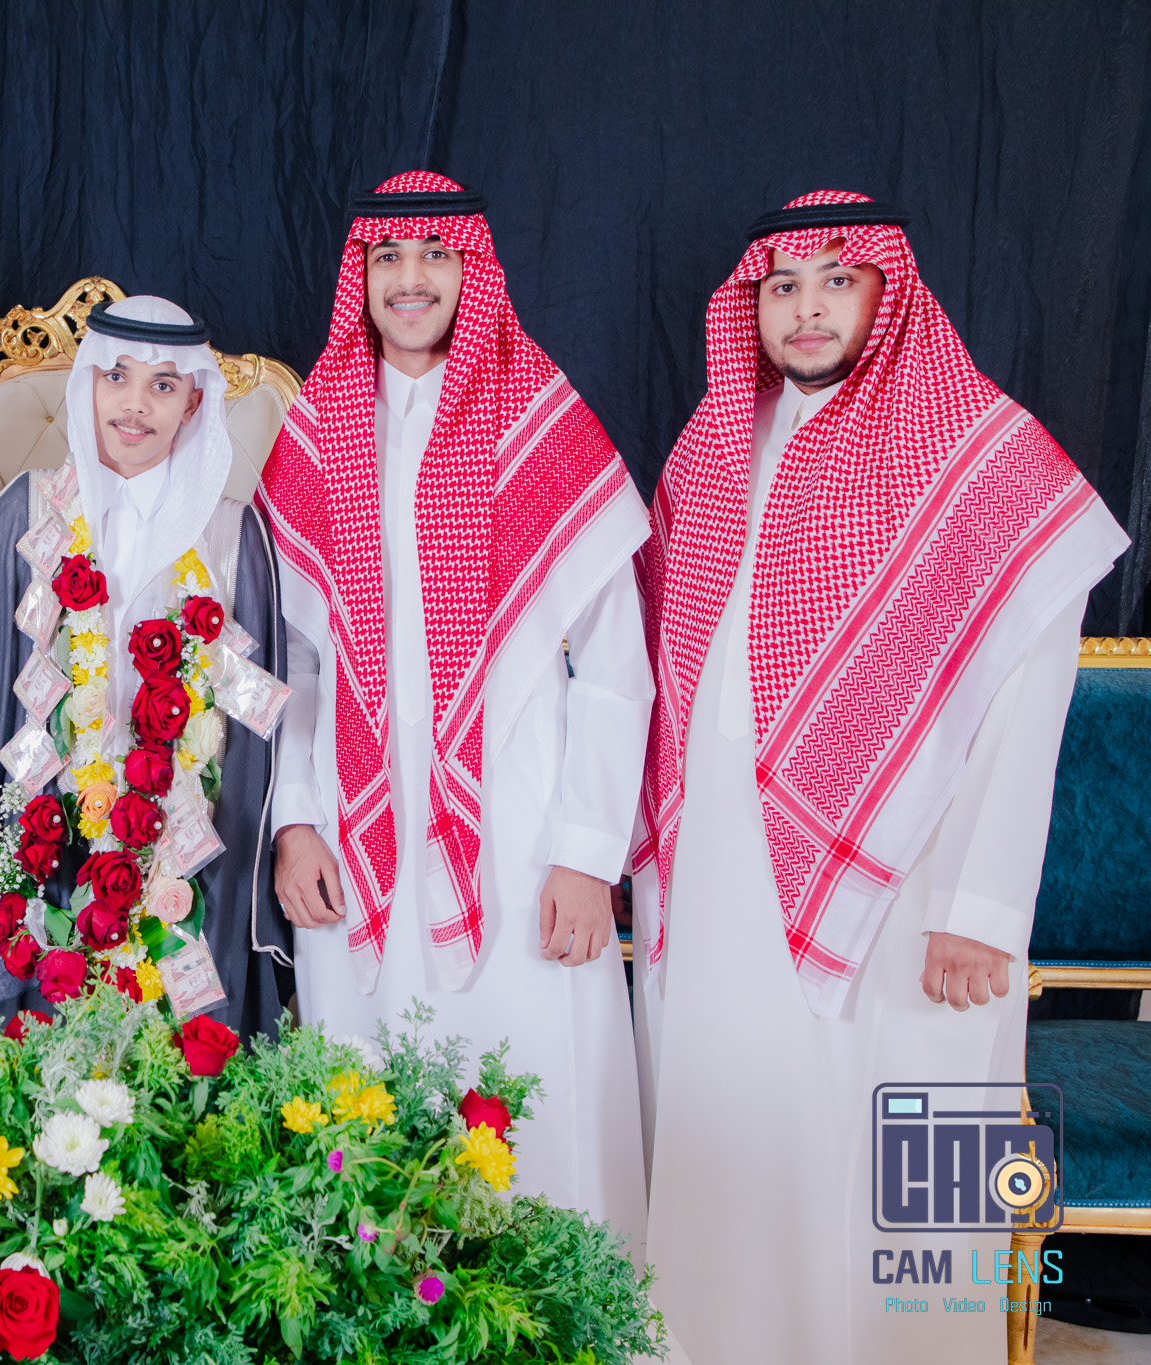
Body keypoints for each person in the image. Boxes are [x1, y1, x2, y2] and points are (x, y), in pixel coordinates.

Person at [632, 191, 1128, 1364]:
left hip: (912, 898)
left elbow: (1028, 690)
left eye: (833, 280)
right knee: (740, 1136)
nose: (804, 309)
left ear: (884, 292)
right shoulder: (710, 447)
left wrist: (978, 909)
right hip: (724, 882)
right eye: (780, 286)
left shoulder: (975, 453)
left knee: (906, 1180)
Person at [257, 172, 654, 1250]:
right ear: (360, 277)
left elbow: (615, 666)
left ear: (472, 270)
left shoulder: (539, 416)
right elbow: (291, 663)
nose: (410, 278)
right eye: (387, 256)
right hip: (353, 828)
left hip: (520, 832)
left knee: (534, 1099)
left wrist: (586, 854)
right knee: (369, 1114)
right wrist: (295, 821)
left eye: (435, 254)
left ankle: (562, 1318)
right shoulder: (315, 429)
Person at [0, 295, 294, 1037]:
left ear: (193, 401)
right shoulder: (26, 513)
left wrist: (241, 891)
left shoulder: (232, 537)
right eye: (117, 377)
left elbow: (255, 748)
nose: (135, 404)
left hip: (188, 865)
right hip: (41, 848)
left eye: (162, 384)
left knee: (185, 1073)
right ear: (89, 387)